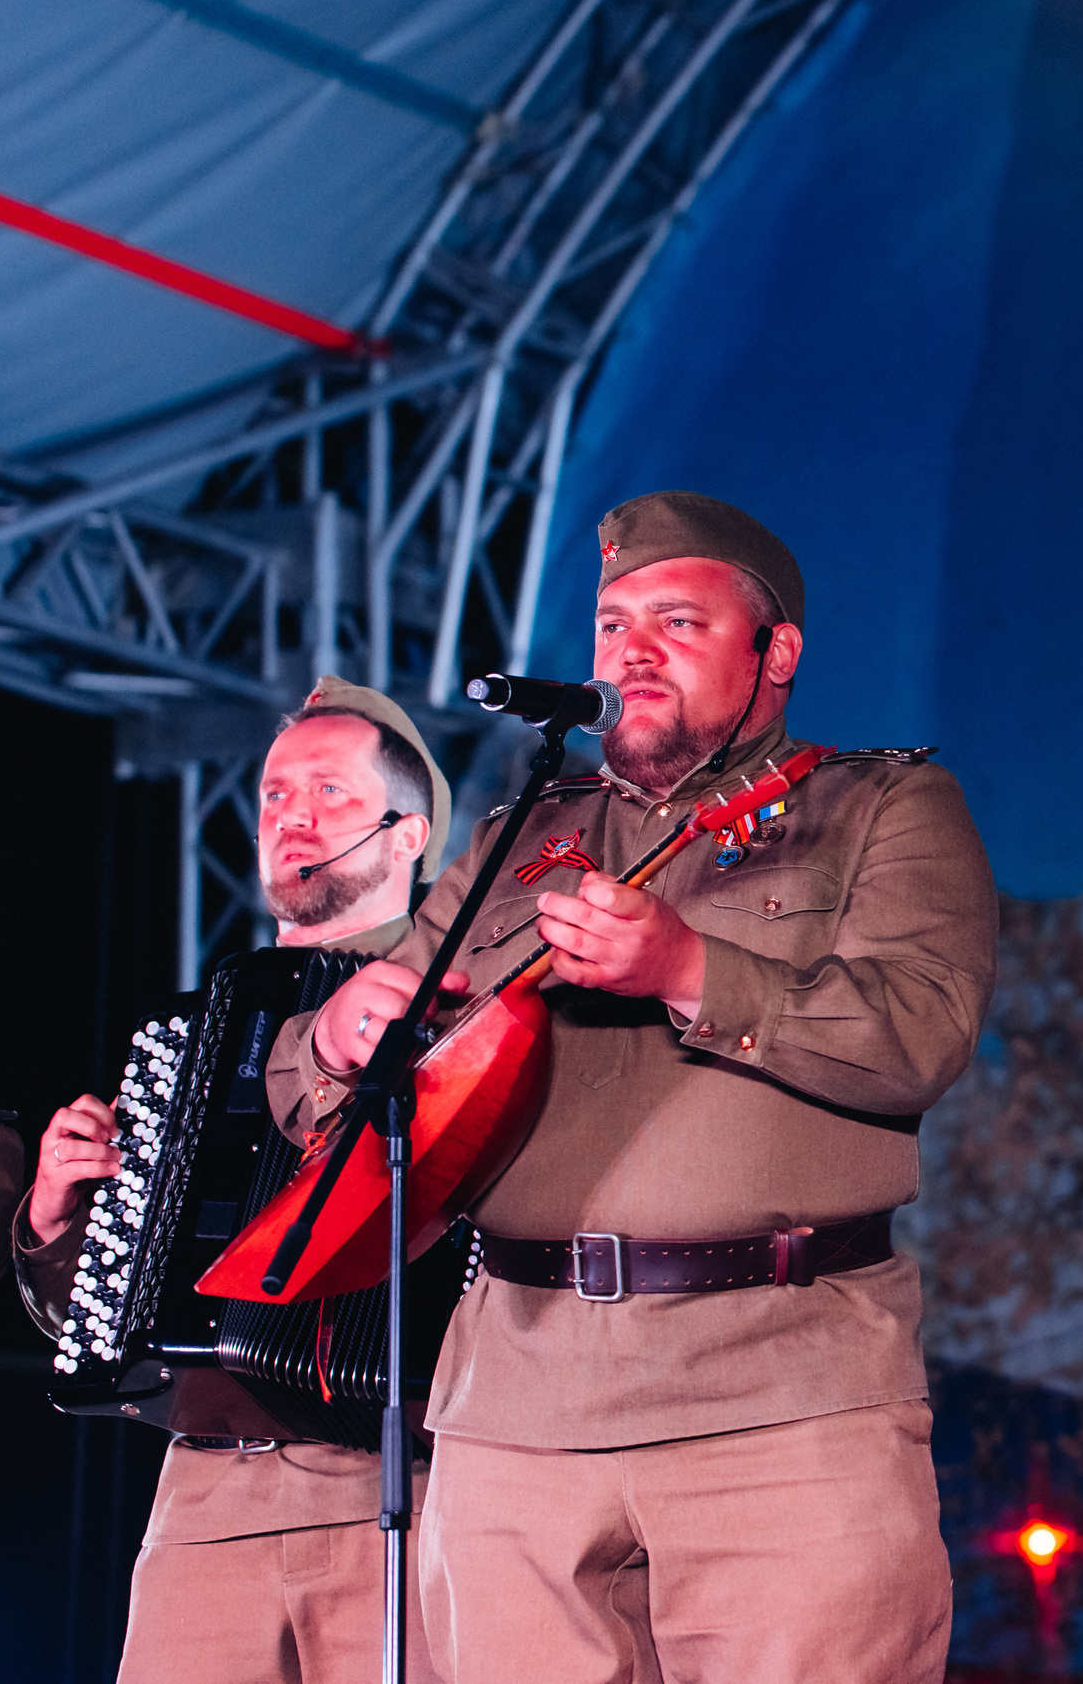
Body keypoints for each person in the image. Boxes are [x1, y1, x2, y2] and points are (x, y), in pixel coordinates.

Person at [278, 490, 996, 1684]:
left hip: (779, 1394)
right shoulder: (520, 833)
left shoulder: (880, 808)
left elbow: (921, 1033)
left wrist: (688, 966)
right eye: (613, 626)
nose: (632, 651)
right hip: (516, 1394)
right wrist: (335, 1035)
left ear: (777, 655)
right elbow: (318, 1074)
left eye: (677, 620)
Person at [15, 677, 452, 1683]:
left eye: (329, 793)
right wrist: (57, 1217)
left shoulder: (469, 1009)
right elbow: (103, 1313)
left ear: (406, 833)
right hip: (205, 1493)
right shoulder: (196, 1031)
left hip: (406, 1485)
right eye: (272, 793)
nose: (290, 815)